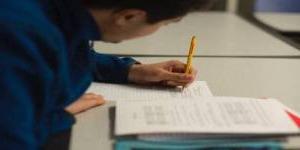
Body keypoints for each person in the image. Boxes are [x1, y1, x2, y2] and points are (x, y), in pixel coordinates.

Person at [0, 0, 212, 149]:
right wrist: (52, 111)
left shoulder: (60, 12)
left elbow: (64, 49)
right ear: (129, 16)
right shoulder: (17, 36)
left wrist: (130, 71)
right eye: (163, 23)